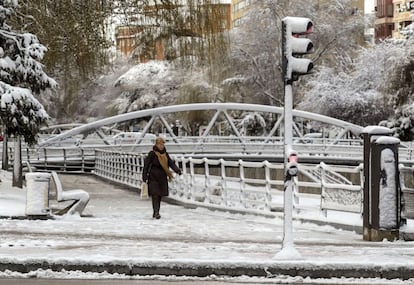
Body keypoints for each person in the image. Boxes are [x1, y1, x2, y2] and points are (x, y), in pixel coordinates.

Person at [142, 137, 182, 219]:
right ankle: (156, 212)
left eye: (162, 144)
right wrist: (144, 176)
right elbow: (146, 165)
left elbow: (170, 163)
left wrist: (177, 170)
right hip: (153, 176)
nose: (161, 146)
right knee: (155, 194)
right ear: (156, 144)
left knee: (159, 195)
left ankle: (156, 211)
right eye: (160, 144)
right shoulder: (152, 154)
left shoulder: (165, 154)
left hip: (162, 177)